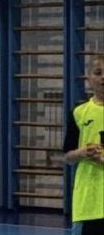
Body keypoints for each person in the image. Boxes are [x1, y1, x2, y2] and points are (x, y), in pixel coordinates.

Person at [63, 54, 104, 235]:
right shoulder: (79, 112)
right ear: (89, 77)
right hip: (88, 202)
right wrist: (81, 153)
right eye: (98, 72)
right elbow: (67, 157)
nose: (103, 77)